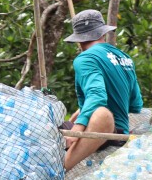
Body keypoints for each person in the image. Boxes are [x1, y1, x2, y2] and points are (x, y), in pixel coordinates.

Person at [61, 9, 144, 170]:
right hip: (121, 131)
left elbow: (97, 96)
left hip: (104, 131)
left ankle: (61, 169)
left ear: (79, 40)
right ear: (103, 34)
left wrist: (77, 129)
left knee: (45, 126)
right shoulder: (125, 58)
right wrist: (82, 111)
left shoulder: (85, 59)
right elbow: (136, 104)